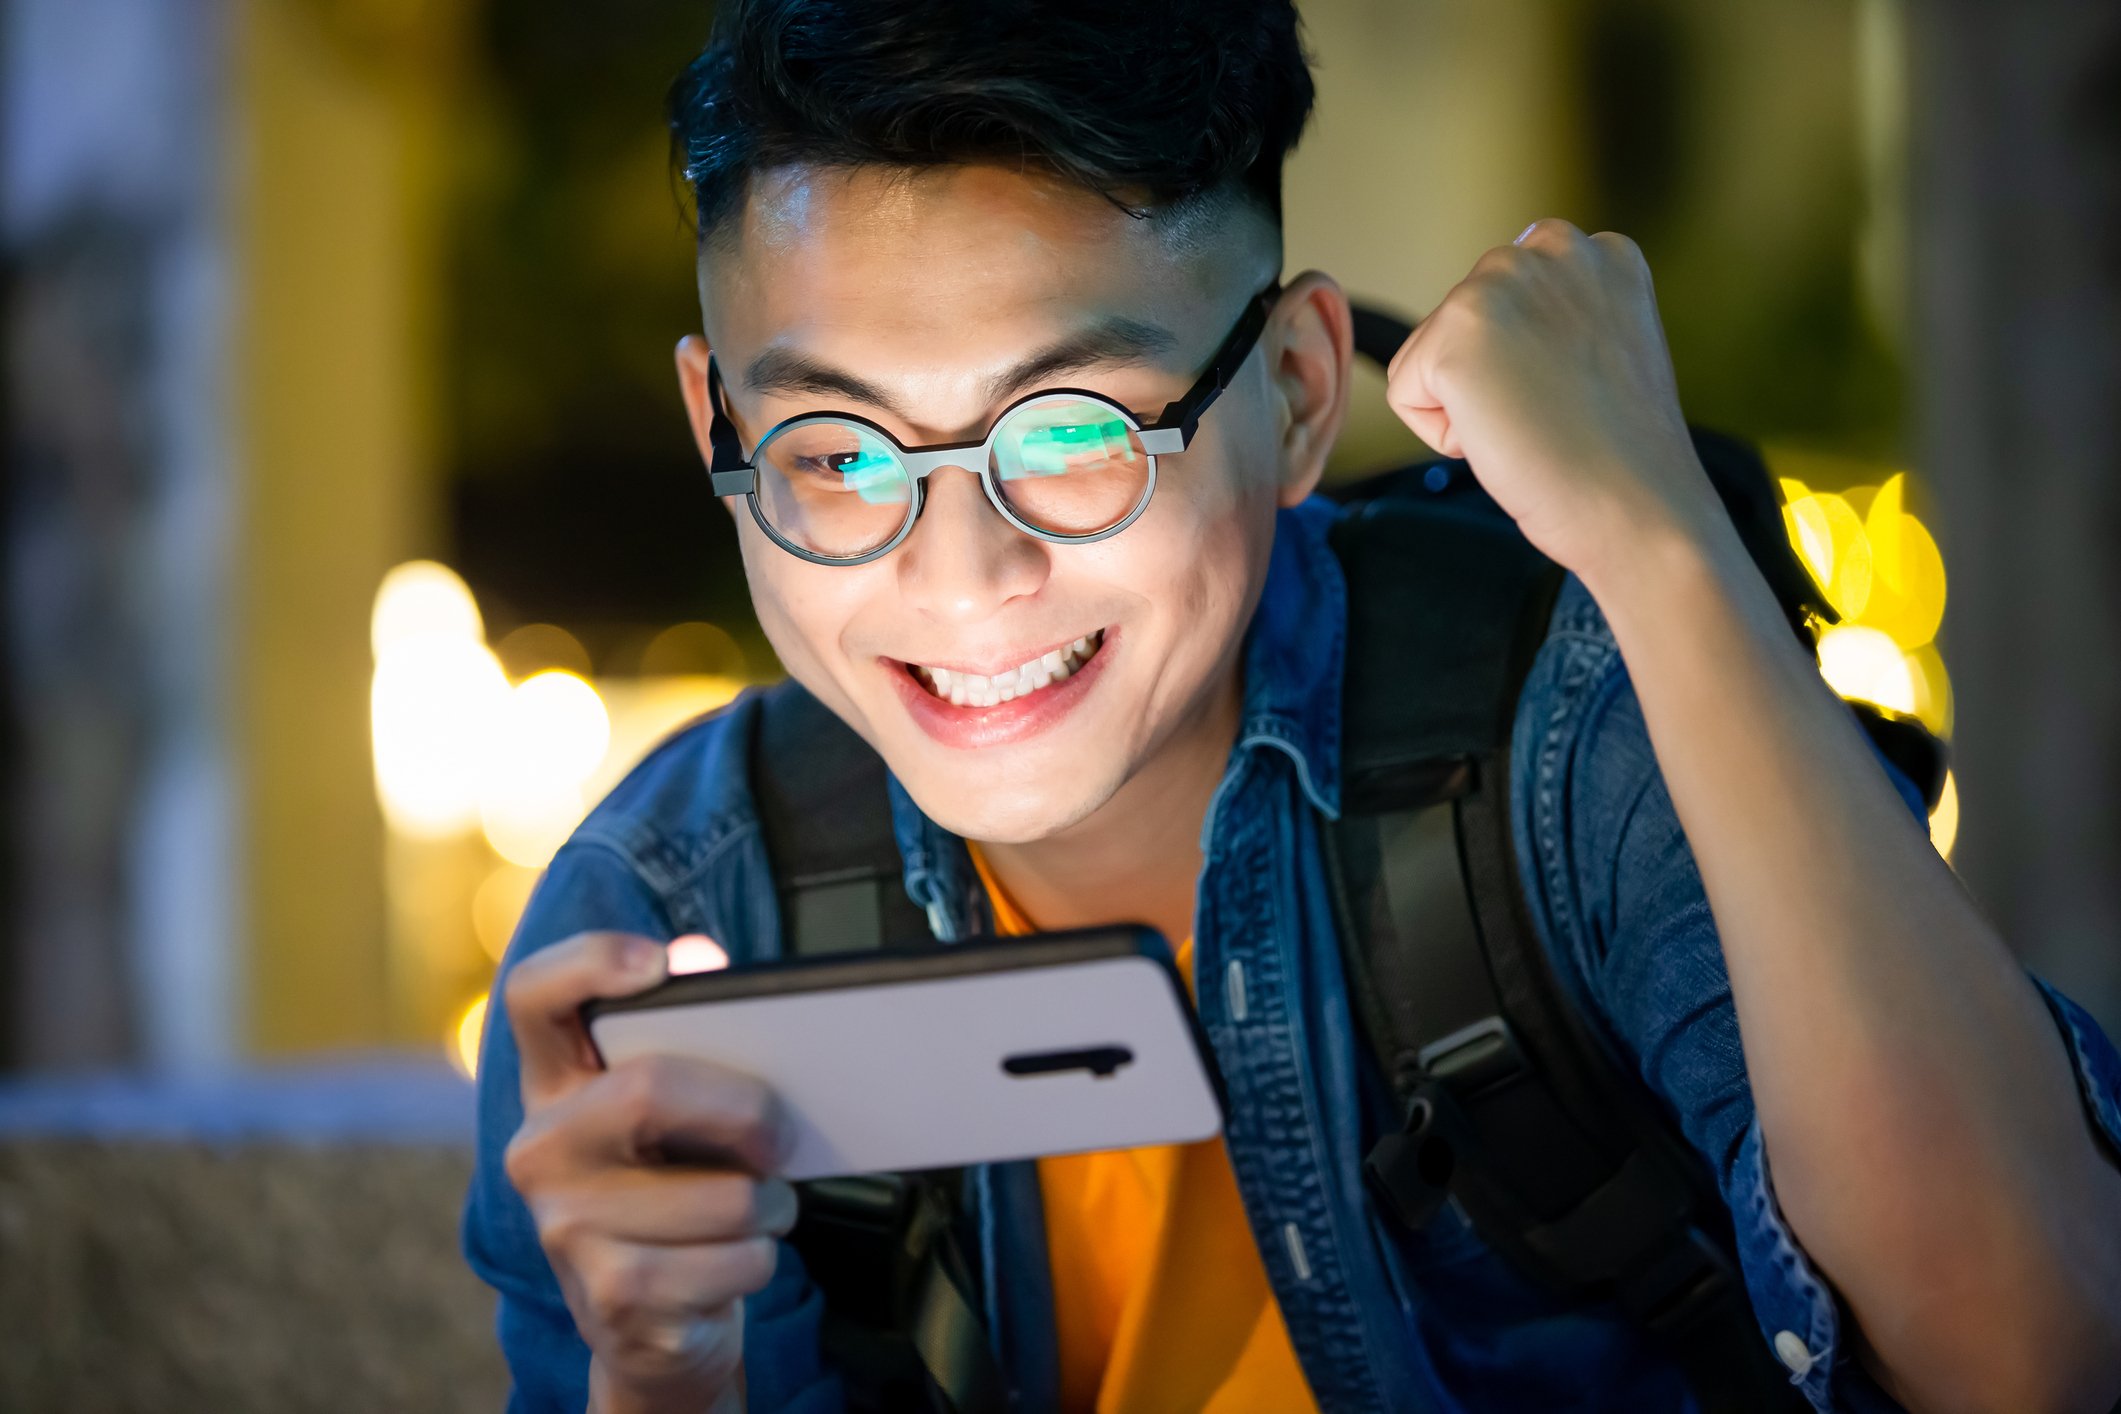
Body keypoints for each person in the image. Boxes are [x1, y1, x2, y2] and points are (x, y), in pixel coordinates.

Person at [461, 3, 2121, 1411]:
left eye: (1071, 436)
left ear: (1297, 393)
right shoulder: (672, 917)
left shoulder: (1570, 739)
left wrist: (1660, 537)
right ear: (715, 424)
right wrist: (662, 1365)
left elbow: (2030, 1352)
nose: (960, 578)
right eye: (835, 457)